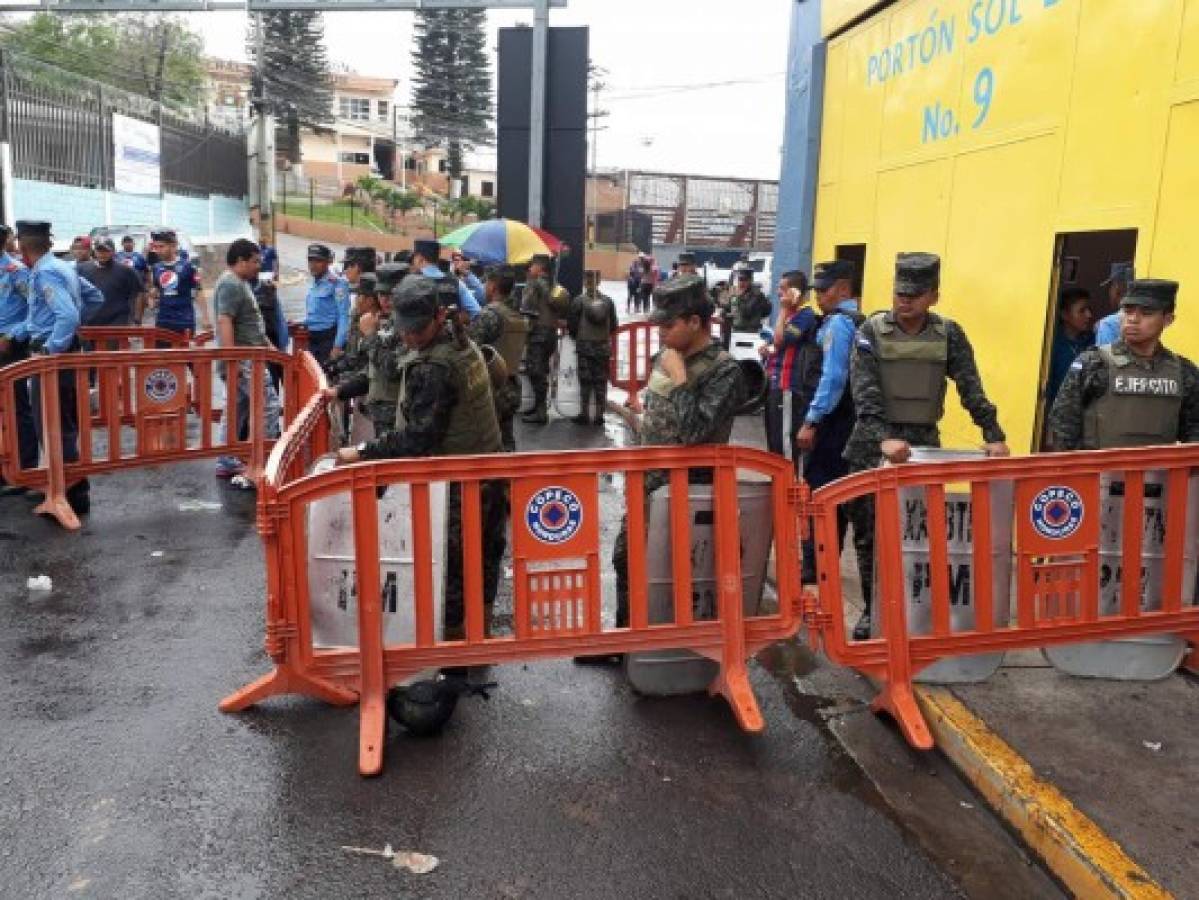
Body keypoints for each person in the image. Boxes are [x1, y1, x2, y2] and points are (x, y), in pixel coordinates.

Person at [333, 275, 508, 645]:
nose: (410, 337)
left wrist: (362, 452)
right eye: (405, 329)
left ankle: (455, 652)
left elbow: (418, 437)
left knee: (454, 568)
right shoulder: (460, 339)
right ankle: (481, 636)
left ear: (438, 316)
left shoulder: (435, 366)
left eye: (417, 329)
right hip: (489, 467)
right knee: (483, 558)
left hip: (462, 483)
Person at [845, 252, 1009, 640]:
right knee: (869, 535)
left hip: (922, 447)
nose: (905, 301)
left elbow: (970, 386)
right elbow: (864, 391)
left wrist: (993, 434)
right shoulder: (870, 331)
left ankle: (914, 611)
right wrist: (883, 437)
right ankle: (872, 610)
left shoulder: (949, 334)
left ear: (933, 296)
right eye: (900, 293)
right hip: (873, 445)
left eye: (914, 295)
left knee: (917, 534)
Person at [609, 274, 744, 633]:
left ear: (695, 322)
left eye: (669, 325)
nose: (660, 333)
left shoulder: (724, 370)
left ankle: (674, 640)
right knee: (626, 558)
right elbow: (655, 415)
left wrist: (680, 377)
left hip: (689, 493)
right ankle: (627, 639)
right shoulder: (665, 356)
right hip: (648, 484)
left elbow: (695, 433)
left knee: (679, 569)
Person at [1048, 279, 1198, 450]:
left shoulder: (1183, 372)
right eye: (1128, 311)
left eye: (1146, 313)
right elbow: (1063, 427)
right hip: (1099, 467)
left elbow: (1194, 432)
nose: (1133, 319)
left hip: (1158, 467)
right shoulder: (1093, 364)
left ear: (1167, 320)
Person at [795, 259, 864, 582]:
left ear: (844, 289)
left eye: (824, 290)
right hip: (845, 422)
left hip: (831, 423)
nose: (819, 296)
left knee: (820, 493)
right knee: (835, 493)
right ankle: (824, 563)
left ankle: (815, 566)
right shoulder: (855, 321)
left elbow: (833, 378)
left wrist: (812, 420)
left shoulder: (838, 324)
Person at [14, 220, 89, 514]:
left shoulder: (45, 272)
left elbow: (67, 316)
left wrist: (51, 348)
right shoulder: (62, 267)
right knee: (62, 422)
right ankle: (66, 488)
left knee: (52, 424)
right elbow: (93, 296)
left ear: (22, 245)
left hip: (52, 358)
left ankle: (71, 492)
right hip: (64, 352)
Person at [211, 238, 282, 484]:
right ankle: (260, 460)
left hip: (247, 357)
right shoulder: (231, 284)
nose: (258, 266)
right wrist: (231, 359)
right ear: (241, 261)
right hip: (245, 359)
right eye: (255, 262)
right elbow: (225, 321)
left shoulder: (238, 283)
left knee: (236, 407)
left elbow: (252, 326)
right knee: (268, 405)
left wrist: (273, 350)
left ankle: (227, 459)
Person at [759, 270, 819, 462]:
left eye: (783, 289)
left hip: (788, 388)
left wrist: (783, 310)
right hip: (774, 386)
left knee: (785, 445)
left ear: (796, 292)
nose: (779, 293)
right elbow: (778, 346)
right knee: (774, 443)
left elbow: (781, 340)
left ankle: (788, 479)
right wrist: (769, 350)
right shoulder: (791, 316)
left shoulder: (805, 316)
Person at [468, 265, 529, 451]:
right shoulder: (518, 315)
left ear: (493, 286)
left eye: (486, 283)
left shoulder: (489, 315)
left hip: (490, 389)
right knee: (507, 439)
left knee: (485, 443)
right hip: (512, 387)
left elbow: (469, 350)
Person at [0, 225, 36, 493]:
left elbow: (36, 310)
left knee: (17, 408)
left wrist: (13, 336)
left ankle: (25, 469)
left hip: (9, 348)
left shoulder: (16, 271)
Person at [520, 253, 569, 425]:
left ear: (540, 268)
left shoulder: (535, 284)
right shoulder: (554, 286)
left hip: (538, 333)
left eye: (532, 266)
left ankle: (540, 412)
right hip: (550, 334)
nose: (529, 268)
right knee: (541, 371)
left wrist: (528, 283)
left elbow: (526, 307)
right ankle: (538, 406)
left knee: (535, 371)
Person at [567, 269, 619, 426]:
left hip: (584, 346)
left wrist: (577, 336)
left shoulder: (578, 301)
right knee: (601, 381)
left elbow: (572, 325)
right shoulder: (608, 302)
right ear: (599, 282)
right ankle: (599, 416)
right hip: (603, 347)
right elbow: (614, 325)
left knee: (585, 381)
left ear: (585, 282)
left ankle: (584, 414)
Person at [1044, 287, 1095, 414]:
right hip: (1058, 413)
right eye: (1082, 311)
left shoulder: (1093, 341)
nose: (1089, 315)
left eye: (1089, 309)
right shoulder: (1051, 345)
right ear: (1064, 315)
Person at [150, 229, 209, 337]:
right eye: (156, 247)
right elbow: (156, 289)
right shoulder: (156, 268)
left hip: (184, 320)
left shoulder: (188, 267)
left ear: (173, 246)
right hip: (163, 320)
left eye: (161, 246)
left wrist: (205, 318)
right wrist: (152, 298)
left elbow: (198, 292)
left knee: (184, 348)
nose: (158, 250)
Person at [77, 237, 146, 326]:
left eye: (106, 251)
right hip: (90, 321)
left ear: (113, 251)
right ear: (94, 251)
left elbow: (139, 293)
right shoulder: (82, 269)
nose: (102, 254)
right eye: (99, 250)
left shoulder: (126, 270)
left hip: (117, 321)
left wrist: (137, 319)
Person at [302, 243, 350, 368]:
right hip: (312, 339)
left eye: (318, 261)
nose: (313, 265)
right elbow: (315, 313)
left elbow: (343, 316)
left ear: (328, 262)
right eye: (310, 260)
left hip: (327, 340)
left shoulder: (337, 284)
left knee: (324, 376)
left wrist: (337, 346)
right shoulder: (314, 283)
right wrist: (302, 322)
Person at [410, 239, 481, 320]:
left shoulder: (411, 283)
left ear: (420, 258)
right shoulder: (456, 283)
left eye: (414, 258)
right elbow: (476, 312)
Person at [1094, 262, 1135, 346]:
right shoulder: (1146, 320)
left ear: (1117, 288)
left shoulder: (1108, 325)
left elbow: (1105, 354)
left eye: (1110, 287)